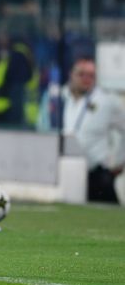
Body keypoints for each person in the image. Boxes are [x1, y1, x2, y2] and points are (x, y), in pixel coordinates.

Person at [38, 57, 125, 203]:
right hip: (63, 171)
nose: (87, 79)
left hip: (96, 174)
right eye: (82, 74)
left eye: (91, 75)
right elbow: (42, 129)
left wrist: (119, 161)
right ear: (71, 74)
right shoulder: (57, 97)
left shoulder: (106, 101)